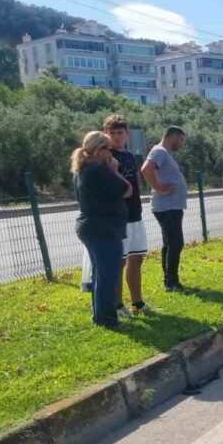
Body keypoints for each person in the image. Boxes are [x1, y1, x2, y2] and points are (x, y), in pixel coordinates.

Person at [73, 131, 132, 328]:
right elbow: (127, 190)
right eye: (107, 148)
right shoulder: (99, 170)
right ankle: (107, 319)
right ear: (98, 150)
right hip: (103, 229)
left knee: (100, 274)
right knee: (108, 275)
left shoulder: (83, 169)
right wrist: (114, 170)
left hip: (91, 227)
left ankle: (100, 316)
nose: (110, 152)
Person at [102, 114, 151, 318]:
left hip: (135, 214)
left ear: (127, 133)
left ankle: (137, 303)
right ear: (105, 134)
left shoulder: (130, 155)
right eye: (111, 133)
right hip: (117, 217)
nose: (116, 137)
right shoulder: (105, 157)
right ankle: (117, 305)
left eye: (119, 132)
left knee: (136, 258)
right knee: (118, 263)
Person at [141, 126, 187, 292]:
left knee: (170, 243)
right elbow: (146, 169)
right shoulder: (159, 151)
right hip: (167, 206)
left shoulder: (164, 153)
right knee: (176, 242)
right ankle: (171, 282)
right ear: (172, 136)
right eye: (180, 140)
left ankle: (170, 280)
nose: (181, 144)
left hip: (172, 206)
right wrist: (160, 189)